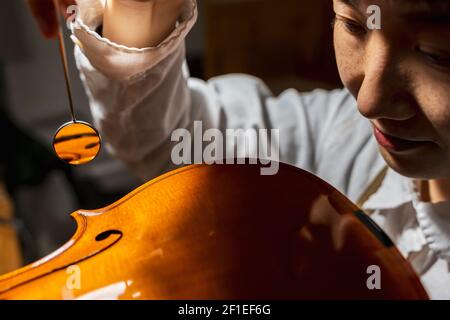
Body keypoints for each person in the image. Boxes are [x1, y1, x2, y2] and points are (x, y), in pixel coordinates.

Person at [27, 0, 450, 299]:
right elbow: (171, 142)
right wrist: (138, 9)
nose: (368, 101)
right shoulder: (340, 135)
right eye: (353, 23)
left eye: (437, 55)